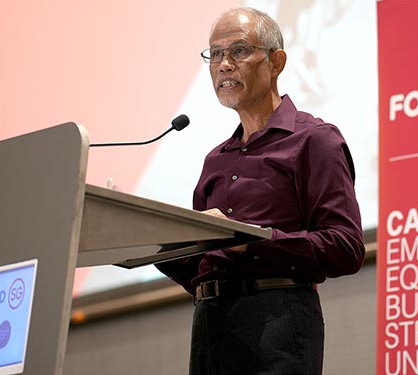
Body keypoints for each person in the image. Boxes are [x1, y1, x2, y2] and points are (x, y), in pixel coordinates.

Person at [156, 6, 365, 375]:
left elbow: (345, 247)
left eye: (238, 51)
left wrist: (249, 242)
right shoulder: (215, 161)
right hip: (209, 329)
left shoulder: (314, 140)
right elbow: (202, 265)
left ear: (276, 62)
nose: (223, 65)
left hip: (277, 323)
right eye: (215, 54)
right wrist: (143, 240)